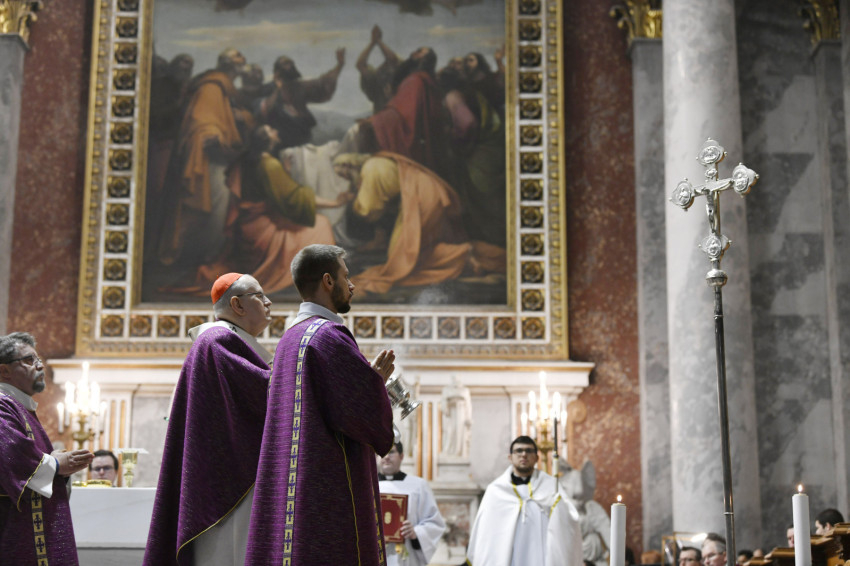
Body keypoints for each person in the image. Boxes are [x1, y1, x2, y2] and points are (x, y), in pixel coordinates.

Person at [244, 244, 396, 565]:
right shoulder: (330, 337)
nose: (351, 285)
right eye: (346, 276)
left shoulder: (289, 339)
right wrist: (375, 384)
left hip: (295, 485)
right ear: (328, 281)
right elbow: (362, 417)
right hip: (326, 489)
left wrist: (366, 383)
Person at [143, 273, 273, 566]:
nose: (269, 302)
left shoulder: (226, 343)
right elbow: (265, 393)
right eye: (260, 296)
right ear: (237, 305)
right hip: (228, 490)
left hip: (230, 482)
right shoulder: (218, 342)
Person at [333, 152, 505, 295]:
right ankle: (473, 255)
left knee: (403, 260)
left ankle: (464, 254)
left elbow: (369, 209)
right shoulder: (375, 164)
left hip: (421, 200)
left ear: (350, 166)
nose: (346, 178)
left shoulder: (372, 168)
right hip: (424, 196)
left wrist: (350, 202)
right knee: (415, 253)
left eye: (344, 174)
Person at [0, 332, 93, 564]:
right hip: (12, 528)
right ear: (4, 371)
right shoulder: (3, 404)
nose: (40, 366)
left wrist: (55, 461)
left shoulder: (20, 407)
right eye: (29, 360)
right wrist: (57, 464)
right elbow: (12, 456)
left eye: (38, 359)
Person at [157, 48, 249, 266]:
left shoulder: (226, 89)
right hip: (209, 157)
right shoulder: (212, 86)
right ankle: (197, 256)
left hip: (222, 158)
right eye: (238, 58)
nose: (242, 61)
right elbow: (201, 120)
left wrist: (243, 118)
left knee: (220, 207)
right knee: (210, 206)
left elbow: (230, 119)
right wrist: (213, 134)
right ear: (230, 65)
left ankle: (208, 254)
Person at [465, 436, 583, 566]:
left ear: (536, 458)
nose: (524, 454)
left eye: (529, 451)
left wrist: (559, 506)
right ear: (510, 457)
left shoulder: (551, 487)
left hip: (541, 558)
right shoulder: (496, 491)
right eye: (519, 451)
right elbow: (485, 533)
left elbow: (570, 520)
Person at [260, 50, 345, 150]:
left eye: (291, 63)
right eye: (286, 63)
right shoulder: (268, 89)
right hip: (278, 139)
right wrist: (277, 90)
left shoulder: (299, 87)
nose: (290, 65)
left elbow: (321, 85)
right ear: (277, 71)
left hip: (301, 136)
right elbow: (261, 109)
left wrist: (339, 65)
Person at [377, 441, 446, 566]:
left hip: (405, 558)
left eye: (391, 452)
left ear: (401, 456)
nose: (386, 457)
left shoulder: (418, 486)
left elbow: (434, 522)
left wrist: (416, 533)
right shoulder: (366, 486)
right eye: (382, 453)